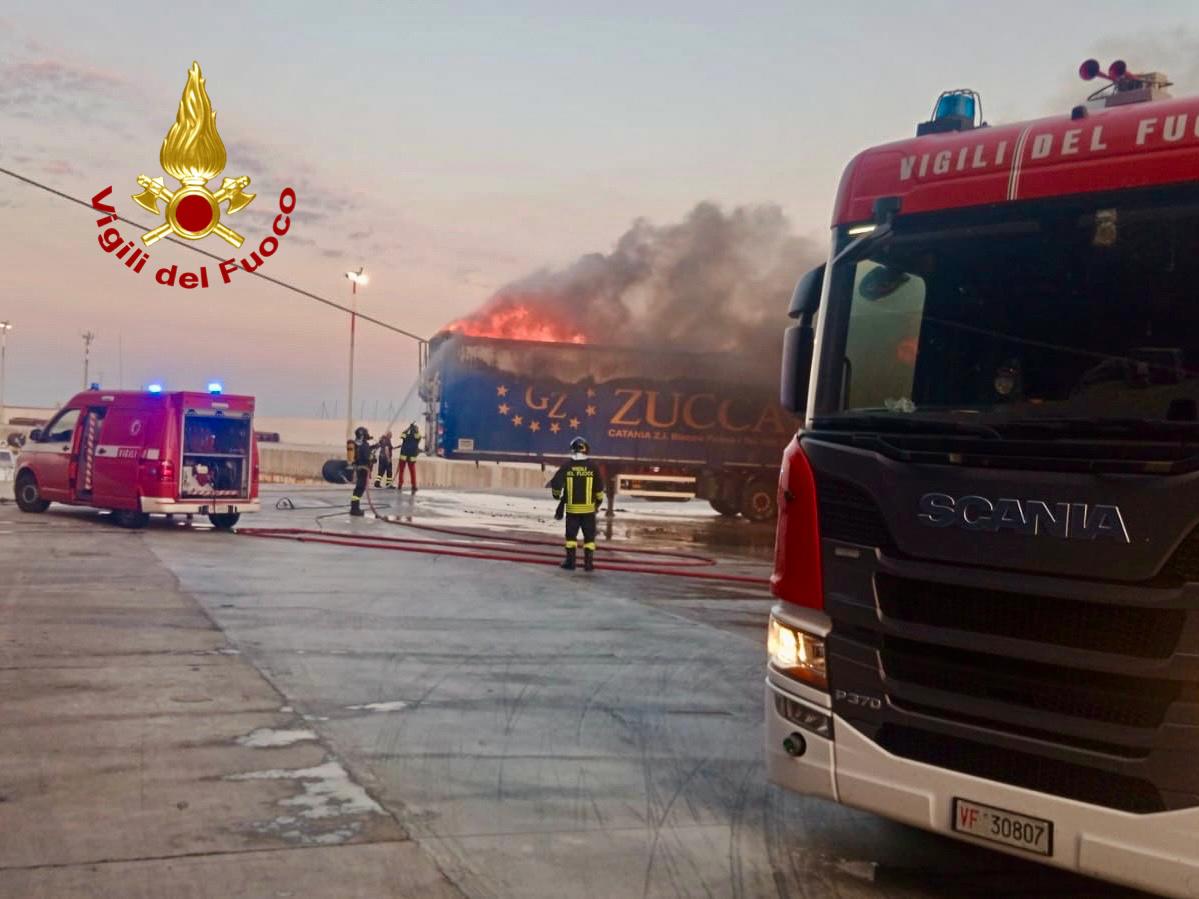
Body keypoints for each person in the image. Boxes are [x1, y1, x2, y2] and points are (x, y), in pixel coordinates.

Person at [549, 436, 604, 571]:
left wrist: (556, 496)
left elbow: (556, 482)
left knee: (571, 537)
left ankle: (570, 563)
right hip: (588, 511)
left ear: (573, 450)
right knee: (589, 538)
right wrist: (597, 503)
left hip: (572, 510)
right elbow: (599, 488)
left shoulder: (567, 466)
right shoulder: (593, 466)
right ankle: (588, 564)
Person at [348, 426, 374, 517]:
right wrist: (373, 459)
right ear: (363, 435)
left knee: (357, 490)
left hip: (359, 469)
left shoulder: (357, 445)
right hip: (364, 470)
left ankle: (354, 507)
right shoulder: (365, 445)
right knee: (359, 489)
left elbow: (358, 456)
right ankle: (355, 509)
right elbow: (367, 458)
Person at [397, 422, 421, 494]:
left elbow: (402, 434)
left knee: (402, 471)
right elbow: (418, 436)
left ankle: (400, 485)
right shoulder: (416, 437)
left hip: (403, 456)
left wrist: (408, 428)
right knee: (412, 472)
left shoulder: (407, 435)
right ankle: (413, 486)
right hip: (411, 457)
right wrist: (413, 428)